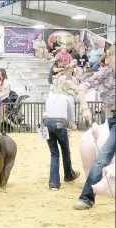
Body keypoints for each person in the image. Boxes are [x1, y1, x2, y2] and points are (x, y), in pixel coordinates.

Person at [74, 44, 115, 210]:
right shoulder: (104, 74)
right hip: (113, 119)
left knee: (104, 157)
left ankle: (86, 197)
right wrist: (85, 108)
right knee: (103, 157)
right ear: (108, 59)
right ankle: (87, 197)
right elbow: (82, 87)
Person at [43, 75, 80, 190]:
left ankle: (53, 183)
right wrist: (71, 125)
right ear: (68, 89)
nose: (74, 92)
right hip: (60, 125)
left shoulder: (51, 96)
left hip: (47, 124)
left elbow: (45, 114)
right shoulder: (68, 98)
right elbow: (71, 117)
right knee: (65, 150)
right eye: (73, 90)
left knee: (54, 153)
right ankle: (68, 175)